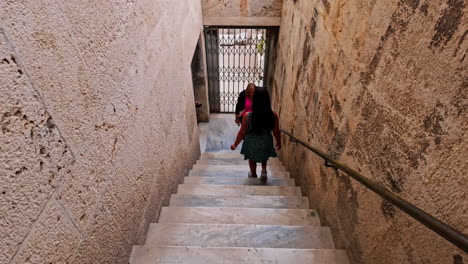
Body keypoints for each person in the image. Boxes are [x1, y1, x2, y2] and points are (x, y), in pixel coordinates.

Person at [230, 87, 281, 182]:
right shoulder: (273, 115)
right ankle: (264, 171)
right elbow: (276, 131)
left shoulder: (248, 116)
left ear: (255, 99)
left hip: (251, 142)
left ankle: (253, 174)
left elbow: (242, 133)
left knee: (251, 158)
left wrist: (235, 144)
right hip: (266, 141)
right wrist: (278, 142)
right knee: (264, 155)